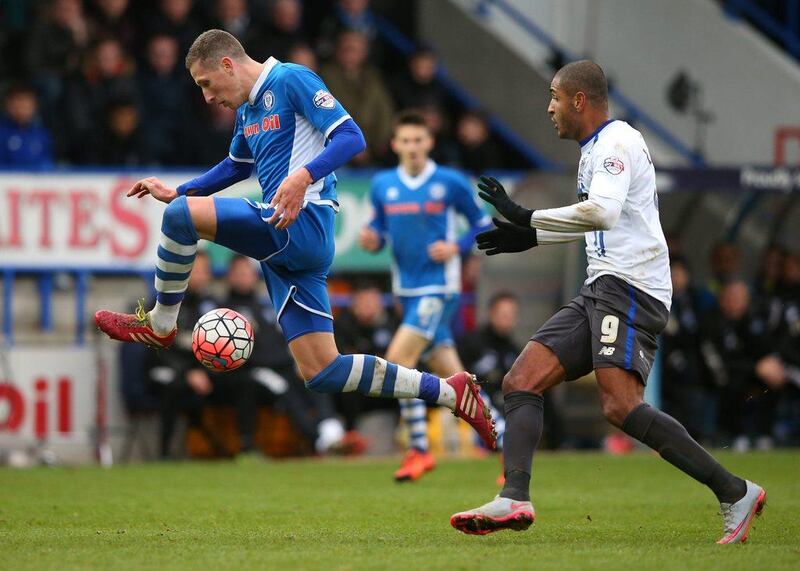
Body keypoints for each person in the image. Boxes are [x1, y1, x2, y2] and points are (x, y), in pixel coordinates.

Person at [93, 30, 496, 454]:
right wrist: (181, 191)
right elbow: (235, 166)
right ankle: (451, 392)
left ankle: (160, 324)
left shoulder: (291, 80)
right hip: (285, 246)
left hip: (303, 224)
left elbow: (351, 138)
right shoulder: (248, 110)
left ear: (227, 64)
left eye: (206, 84)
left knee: (180, 220)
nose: (208, 97)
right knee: (322, 370)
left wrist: (303, 177)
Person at [451, 60, 765, 544]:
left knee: (620, 406)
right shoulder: (592, 149)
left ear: (580, 100)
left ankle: (734, 491)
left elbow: (603, 212)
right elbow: (599, 224)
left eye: (555, 96)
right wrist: (529, 236)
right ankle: (514, 496)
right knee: (521, 380)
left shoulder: (617, 142)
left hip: (633, 287)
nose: (549, 106)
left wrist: (526, 215)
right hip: (603, 286)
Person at [359, 110, 493, 481]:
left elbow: (483, 223)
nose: (413, 147)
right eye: (406, 141)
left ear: (429, 142)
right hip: (406, 290)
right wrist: (371, 241)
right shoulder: (383, 184)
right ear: (395, 145)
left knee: (397, 360)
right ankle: (506, 443)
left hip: (439, 287)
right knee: (452, 374)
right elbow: (378, 231)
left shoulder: (449, 181)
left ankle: (418, 449)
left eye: (419, 140)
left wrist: (456, 247)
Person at [0, 83, 54, 169]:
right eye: (18, 101)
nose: (22, 107)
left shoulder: (41, 134)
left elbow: (48, 164)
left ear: (34, 105)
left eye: (27, 102)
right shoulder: (2, 133)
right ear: (8, 104)